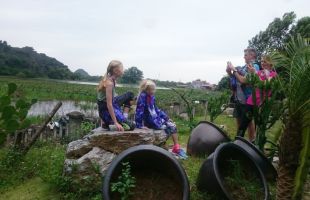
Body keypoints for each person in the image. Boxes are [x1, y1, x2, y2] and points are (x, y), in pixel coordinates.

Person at [135, 79, 188, 159]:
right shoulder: (142, 97)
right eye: (152, 89)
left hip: (155, 119)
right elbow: (139, 111)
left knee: (172, 125)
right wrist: (139, 125)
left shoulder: (151, 97)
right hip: (150, 121)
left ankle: (176, 147)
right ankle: (172, 148)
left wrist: (166, 118)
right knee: (168, 127)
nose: (153, 91)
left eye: (154, 89)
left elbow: (156, 109)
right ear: (146, 89)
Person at [226, 48, 260, 140]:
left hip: (247, 99)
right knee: (239, 122)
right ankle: (239, 142)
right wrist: (230, 72)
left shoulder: (254, 67)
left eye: (245, 55)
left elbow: (243, 80)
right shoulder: (244, 67)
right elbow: (236, 80)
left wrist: (234, 70)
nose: (244, 57)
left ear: (252, 56)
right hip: (239, 98)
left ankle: (251, 142)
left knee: (248, 123)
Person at [97, 60, 135, 131]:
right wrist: (116, 122)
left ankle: (124, 117)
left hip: (112, 103)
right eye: (122, 68)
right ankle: (108, 121)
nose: (123, 70)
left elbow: (112, 96)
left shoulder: (113, 80)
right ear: (116, 71)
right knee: (132, 126)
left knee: (130, 94)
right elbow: (108, 104)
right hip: (105, 109)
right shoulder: (109, 83)